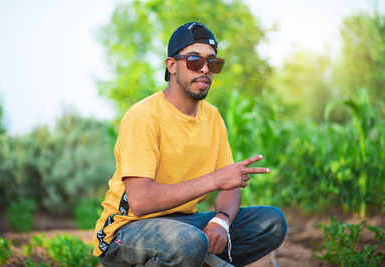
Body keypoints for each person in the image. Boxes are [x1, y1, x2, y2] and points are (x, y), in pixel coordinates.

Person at [93, 22, 287, 267]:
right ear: (172, 65)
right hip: (127, 231)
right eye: (195, 61)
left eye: (213, 63)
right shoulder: (144, 116)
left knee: (271, 222)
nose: (205, 69)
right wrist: (215, 180)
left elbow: (228, 185)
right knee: (191, 243)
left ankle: (202, 260)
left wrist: (221, 221)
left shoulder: (212, 116)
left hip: (184, 224)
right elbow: (140, 201)